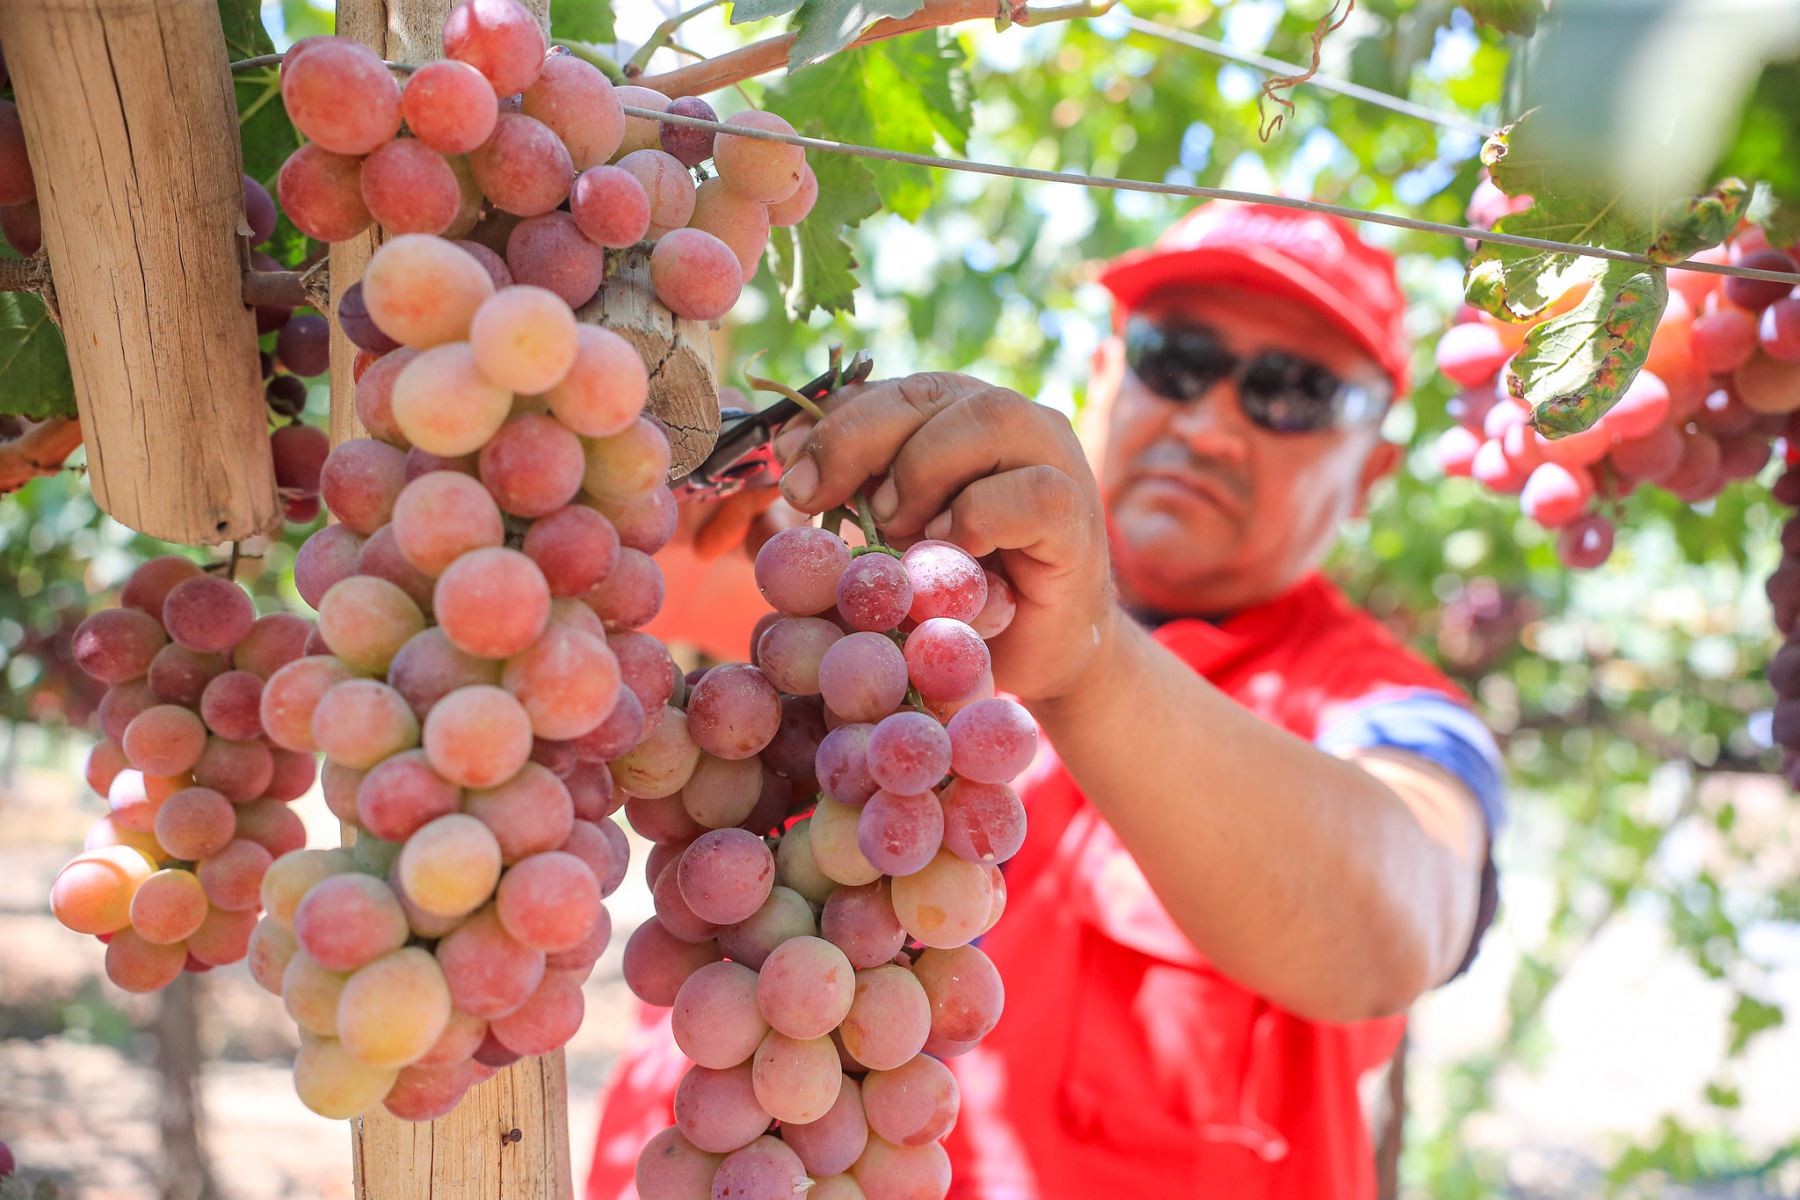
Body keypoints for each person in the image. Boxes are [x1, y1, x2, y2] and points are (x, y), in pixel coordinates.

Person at [589, 200, 1505, 1200]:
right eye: (1178, 359)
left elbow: (1398, 923)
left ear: (1371, 471)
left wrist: (1091, 662)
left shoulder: (1377, 701)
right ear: (1107, 374)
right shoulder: (878, 612)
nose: (1211, 424)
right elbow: (616, 570)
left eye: (1294, 393)